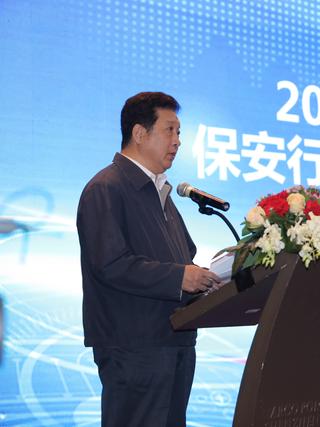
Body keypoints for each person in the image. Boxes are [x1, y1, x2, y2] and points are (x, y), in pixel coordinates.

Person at [77, 92, 221, 427]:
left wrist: (205, 279)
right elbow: (110, 264)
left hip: (175, 341)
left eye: (179, 132)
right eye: (169, 130)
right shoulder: (106, 188)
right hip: (134, 347)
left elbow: (184, 257)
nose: (178, 141)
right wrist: (179, 277)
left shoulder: (163, 194)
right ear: (140, 133)